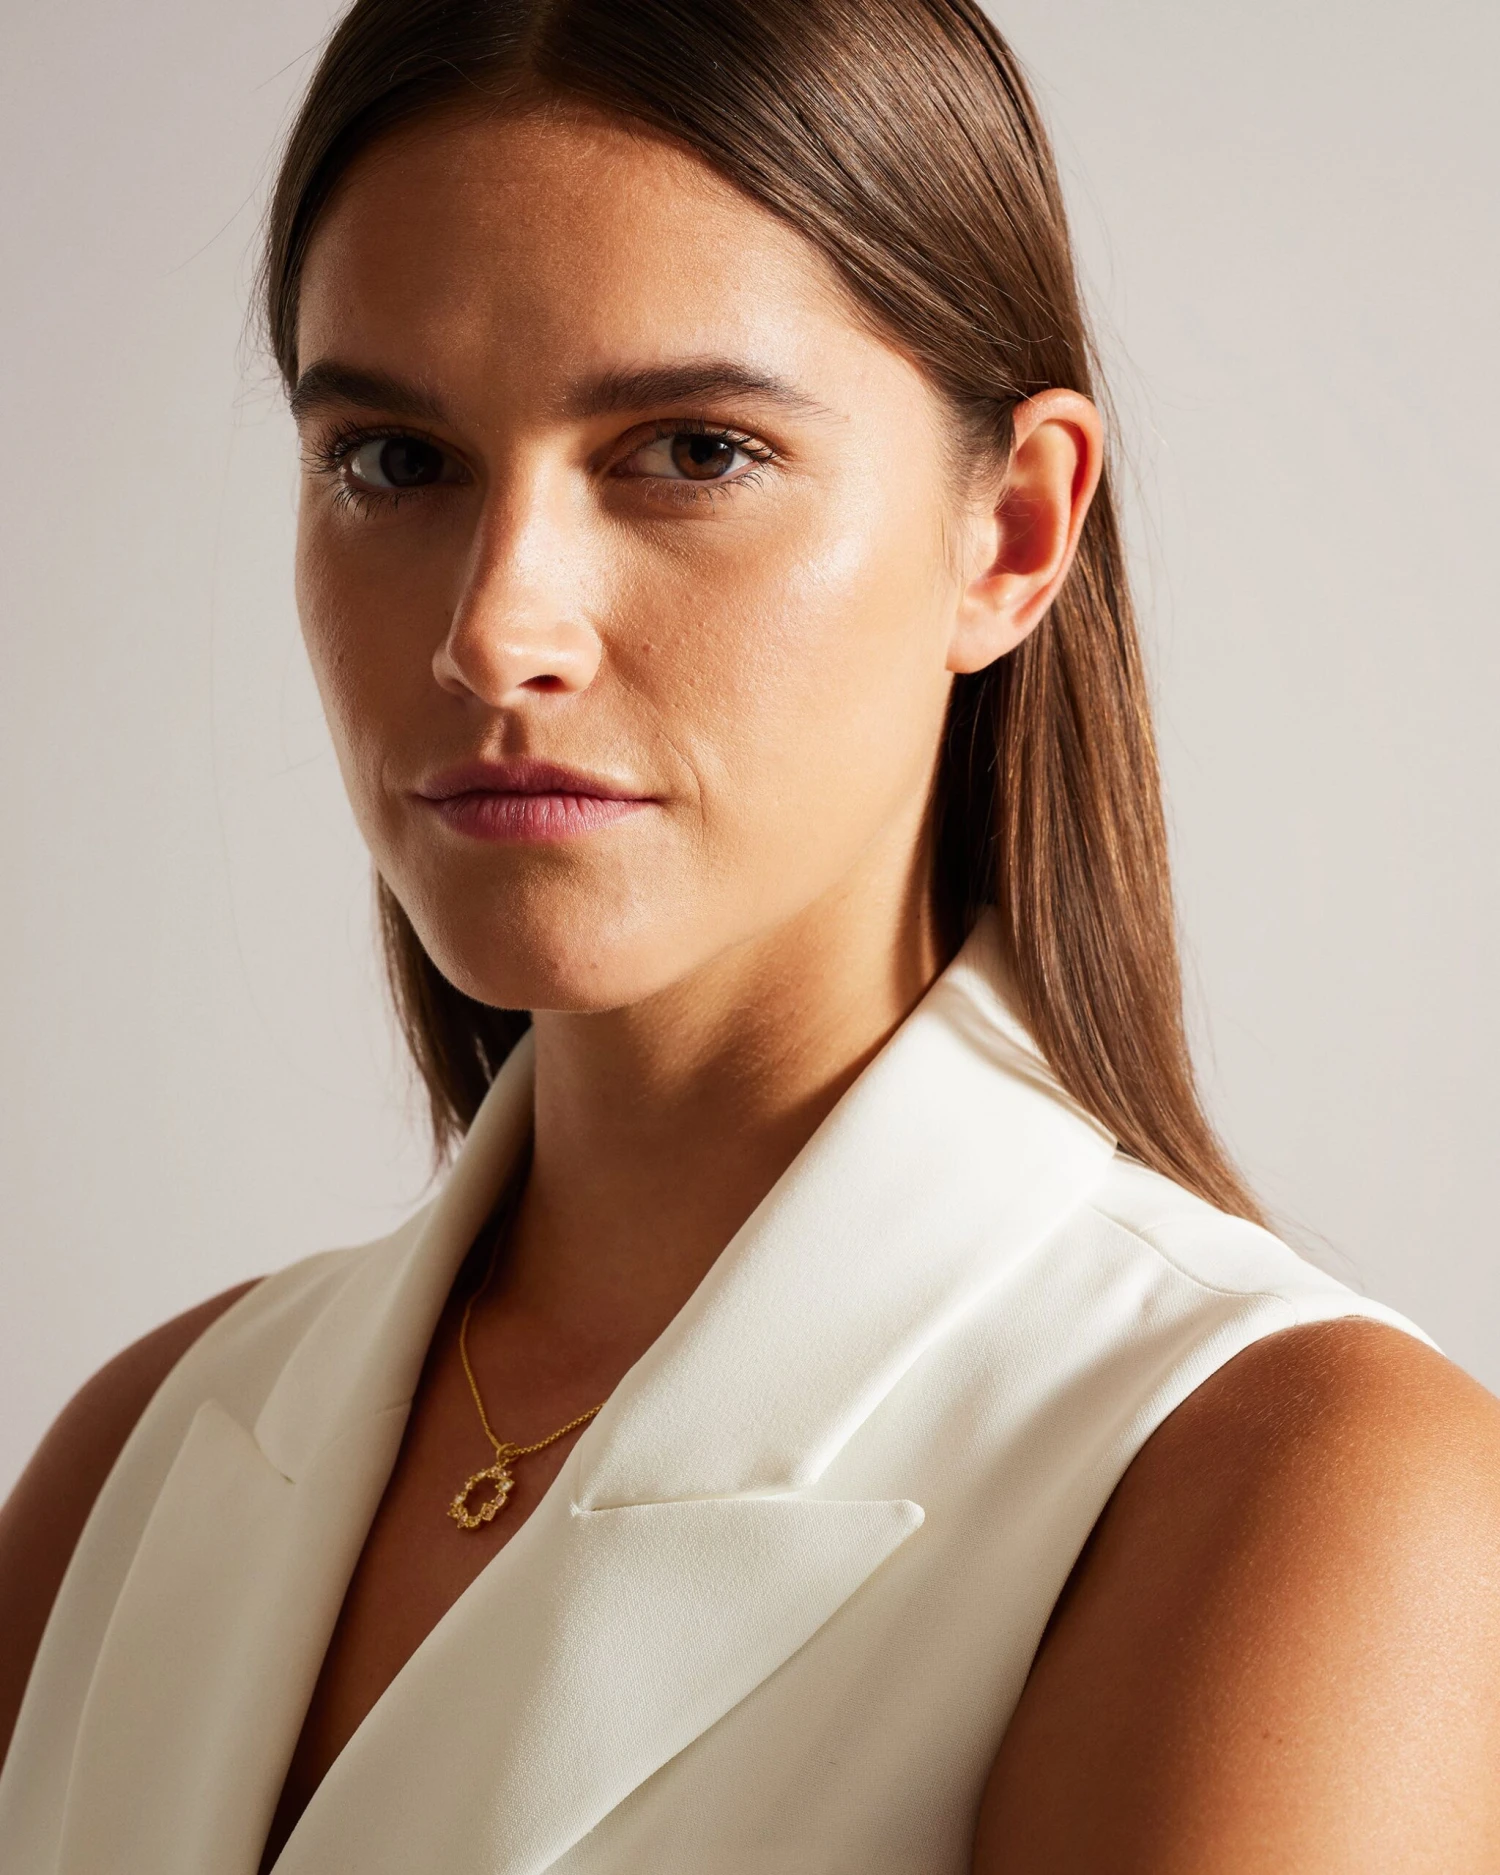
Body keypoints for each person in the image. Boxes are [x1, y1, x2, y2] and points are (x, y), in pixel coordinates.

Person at [3, 1, 1499, 1868]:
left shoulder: (1289, 1495)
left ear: (1011, 532)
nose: (495, 632)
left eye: (693, 450)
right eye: (392, 460)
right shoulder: (137, 1457)